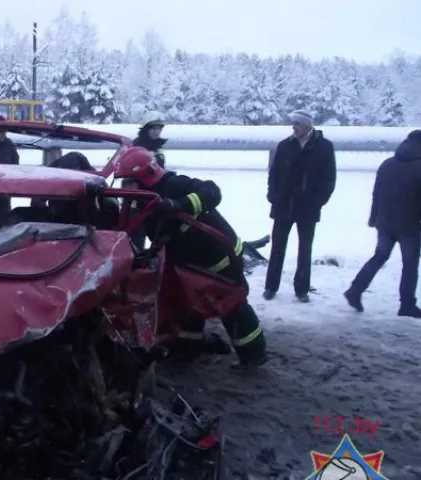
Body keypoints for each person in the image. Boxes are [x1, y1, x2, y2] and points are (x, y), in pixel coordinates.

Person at [114, 146, 267, 369]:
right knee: (189, 304)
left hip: (218, 256)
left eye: (128, 181)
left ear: (145, 176)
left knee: (229, 304)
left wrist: (178, 204)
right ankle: (188, 350)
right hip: (189, 261)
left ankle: (253, 353)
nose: (125, 188)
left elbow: (212, 191)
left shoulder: (173, 185)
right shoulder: (141, 199)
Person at [344, 130, 421, 318]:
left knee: (379, 257)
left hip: (385, 223)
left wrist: (374, 218)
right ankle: (407, 305)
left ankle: (355, 289)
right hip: (410, 225)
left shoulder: (387, 164)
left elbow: (376, 193)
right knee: (410, 265)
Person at [264, 110, 336, 303]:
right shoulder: (284, 145)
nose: (294, 127)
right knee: (277, 247)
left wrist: (317, 201)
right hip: (283, 205)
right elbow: (274, 174)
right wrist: (273, 196)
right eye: (293, 124)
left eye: (297, 124)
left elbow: (329, 179)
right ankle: (271, 286)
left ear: (307, 126)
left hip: (308, 208)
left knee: (305, 249)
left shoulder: (324, 147)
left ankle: (302, 289)